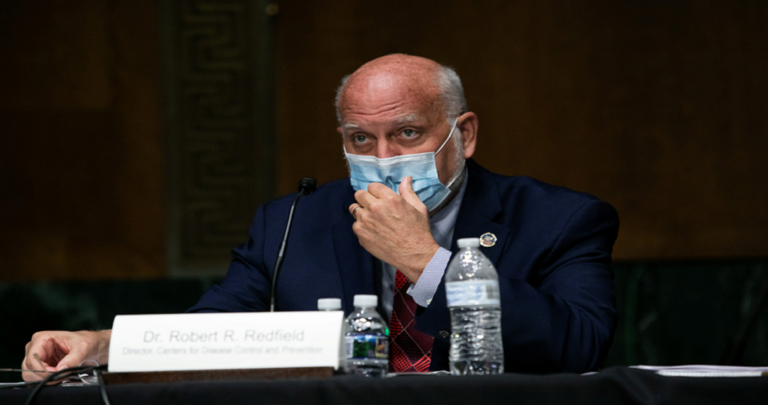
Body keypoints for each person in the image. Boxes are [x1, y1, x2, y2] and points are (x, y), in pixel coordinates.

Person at [22, 54, 618, 380]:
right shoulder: (293, 222)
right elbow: (211, 333)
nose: (383, 158)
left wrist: (426, 260)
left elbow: (580, 347)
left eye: (407, 133)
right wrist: (99, 345)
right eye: (361, 138)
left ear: (463, 134)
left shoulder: (561, 219)